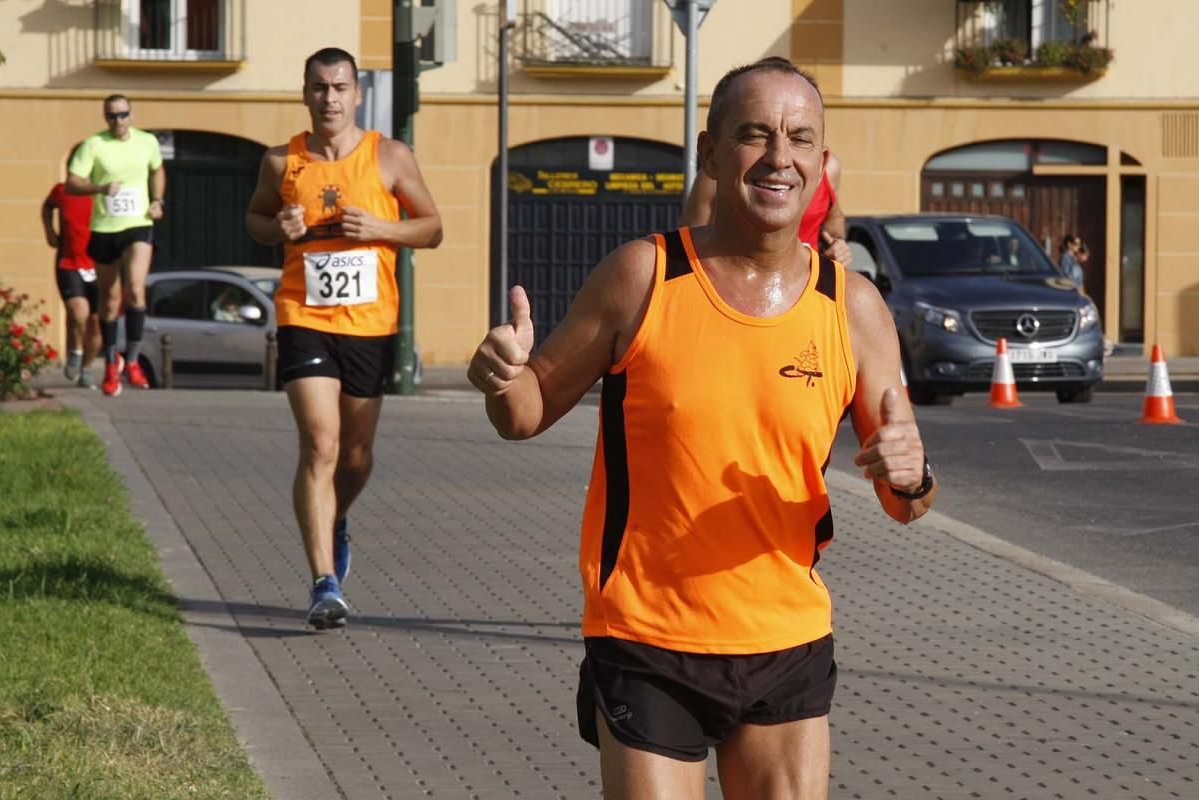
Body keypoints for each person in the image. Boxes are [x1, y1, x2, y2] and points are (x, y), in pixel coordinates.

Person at [468, 57, 935, 799]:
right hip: (650, 636)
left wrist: (912, 476)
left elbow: (905, 500)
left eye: (799, 138)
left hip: (787, 636)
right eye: (755, 134)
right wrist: (501, 375)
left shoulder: (853, 308)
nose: (779, 156)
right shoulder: (644, 276)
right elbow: (523, 413)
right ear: (710, 152)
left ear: (820, 163)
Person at [245, 47, 442, 630]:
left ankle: (336, 518)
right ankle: (324, 582)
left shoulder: (390, 157)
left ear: (357, 94)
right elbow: (255, 220)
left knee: (354, 457)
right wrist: (274, 226)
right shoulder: (282, 163)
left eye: (339, 87)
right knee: (322, 444)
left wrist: (382, 227)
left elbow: (432, 228)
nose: (329, 98)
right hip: (303, 314)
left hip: (371, 324)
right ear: (304, 94)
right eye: (318, 88)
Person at [66, 94, 165, 397]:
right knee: (109, 302)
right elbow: (72, 182)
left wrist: (158, 200)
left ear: (131, 115)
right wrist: (100, 187)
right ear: (105, 117)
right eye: (112, 116)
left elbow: (157, 169)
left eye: (123, 115)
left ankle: (132, 360)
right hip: (104, 228)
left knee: (135, 288)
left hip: (138, 223)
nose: (118, 121)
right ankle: (111, 363)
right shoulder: (93, 145)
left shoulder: (147, 141)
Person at [680, 137, 853, 267]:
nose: (781, 157)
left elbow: (834, 218)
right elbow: (688, 241)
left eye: (797, 138)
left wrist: (838, 243)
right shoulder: (720, 175)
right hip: (733, 287)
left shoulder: (829, 169)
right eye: (761, 135)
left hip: (807, 288)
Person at [42, 147, 101, 388]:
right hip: (69, 261)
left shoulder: (103, 191)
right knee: (78, 313)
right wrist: (50, 232)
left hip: (99, 263)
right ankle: (75, 353)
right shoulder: (62, 190)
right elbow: (47, 207)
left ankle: (87, 369)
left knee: (96, 322)